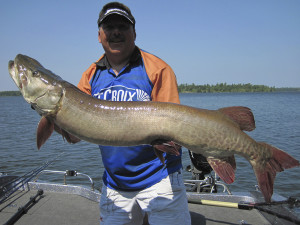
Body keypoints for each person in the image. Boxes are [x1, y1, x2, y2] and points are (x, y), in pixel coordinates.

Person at [78, 2, 191, 225]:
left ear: (134, 33)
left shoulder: (157, 69)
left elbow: (174, 130)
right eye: (109, 27)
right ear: (99, 35)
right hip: (115, 185)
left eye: (123, 26)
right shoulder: (90, 76)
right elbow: (75, 134)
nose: (116, 32)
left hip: (161, 180)